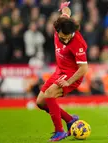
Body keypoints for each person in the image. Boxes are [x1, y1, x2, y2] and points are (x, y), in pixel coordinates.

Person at [35, 1, 88, 141]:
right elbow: (66, 12)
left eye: (68, 37)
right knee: (40, 102)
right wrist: (64, 6)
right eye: (62, 37)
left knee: (50, 94)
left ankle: (60, 131)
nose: (65, 40)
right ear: (57, 30)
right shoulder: (60, 24)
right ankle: (70, 120)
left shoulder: (78, 42)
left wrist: (68, 81)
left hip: (72, 75)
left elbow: (84, 68)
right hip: (59, 71)